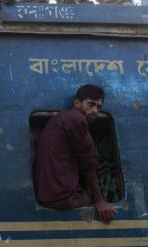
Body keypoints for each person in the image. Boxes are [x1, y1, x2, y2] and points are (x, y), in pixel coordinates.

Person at [34, 84, 116, 224]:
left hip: (47, 194)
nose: (94, 111)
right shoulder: (76, 118)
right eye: (91, 104)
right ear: (77, 102)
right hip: (61, 196)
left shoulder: (62, 118)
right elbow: (88, 161)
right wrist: (99, 201)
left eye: (98, 107)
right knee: (109, 201)